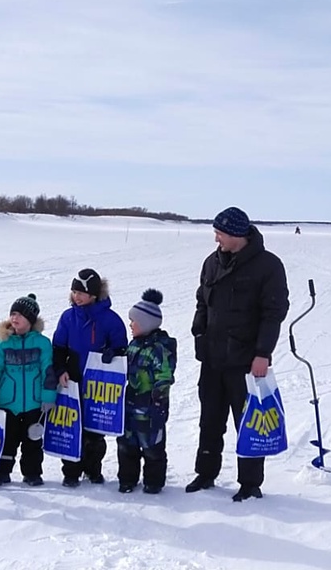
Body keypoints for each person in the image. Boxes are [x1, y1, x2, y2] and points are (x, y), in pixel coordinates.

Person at [187, 207, 289, 502]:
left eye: (220, 233)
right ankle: (206, 473)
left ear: (236, 235)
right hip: (213, 358)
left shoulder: (268, 266)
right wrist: (199, 334)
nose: (216, 238)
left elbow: (274, 313)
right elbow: (201, 302)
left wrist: (263, 353)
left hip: (246, 362)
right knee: (209, 419)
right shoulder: (212, 262)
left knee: (248, 423)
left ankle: (250, 483)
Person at [52, 268, 128, 487]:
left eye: (81, 293)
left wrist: (113, 353)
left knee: (95, 432)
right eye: (74, 291)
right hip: (73, 379)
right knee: (70, 427)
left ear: (94, 295)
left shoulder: (110, 319)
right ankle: (71, 472)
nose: (76, 296)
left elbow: (121, 347)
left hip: (99, 385)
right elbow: (58, 347)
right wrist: (60, 370)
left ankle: (93, 469)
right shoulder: (68, 317)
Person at [0, 294, 56, 487]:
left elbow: (48, 371)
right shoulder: (2, 343)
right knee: (7, 440)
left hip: (34, 403)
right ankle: (2, 472)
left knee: (32, 440)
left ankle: (32, 473)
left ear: (30, 320)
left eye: (20, 315)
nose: (15, 318)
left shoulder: (42, 343)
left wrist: (48, 397)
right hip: (8, 403)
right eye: (12, 313)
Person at [117, 289, 177, 495]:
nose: (131, 325)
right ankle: (127, 479)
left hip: (150, 408)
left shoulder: (159, 349)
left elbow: (165, 376)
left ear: (146, 323)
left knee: (152, 446)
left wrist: (158, 401)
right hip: (130, 405)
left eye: (134, 321)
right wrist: (113, 357)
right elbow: (124, 363)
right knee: (127, 443)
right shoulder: (133, 345)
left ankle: (153, 481)